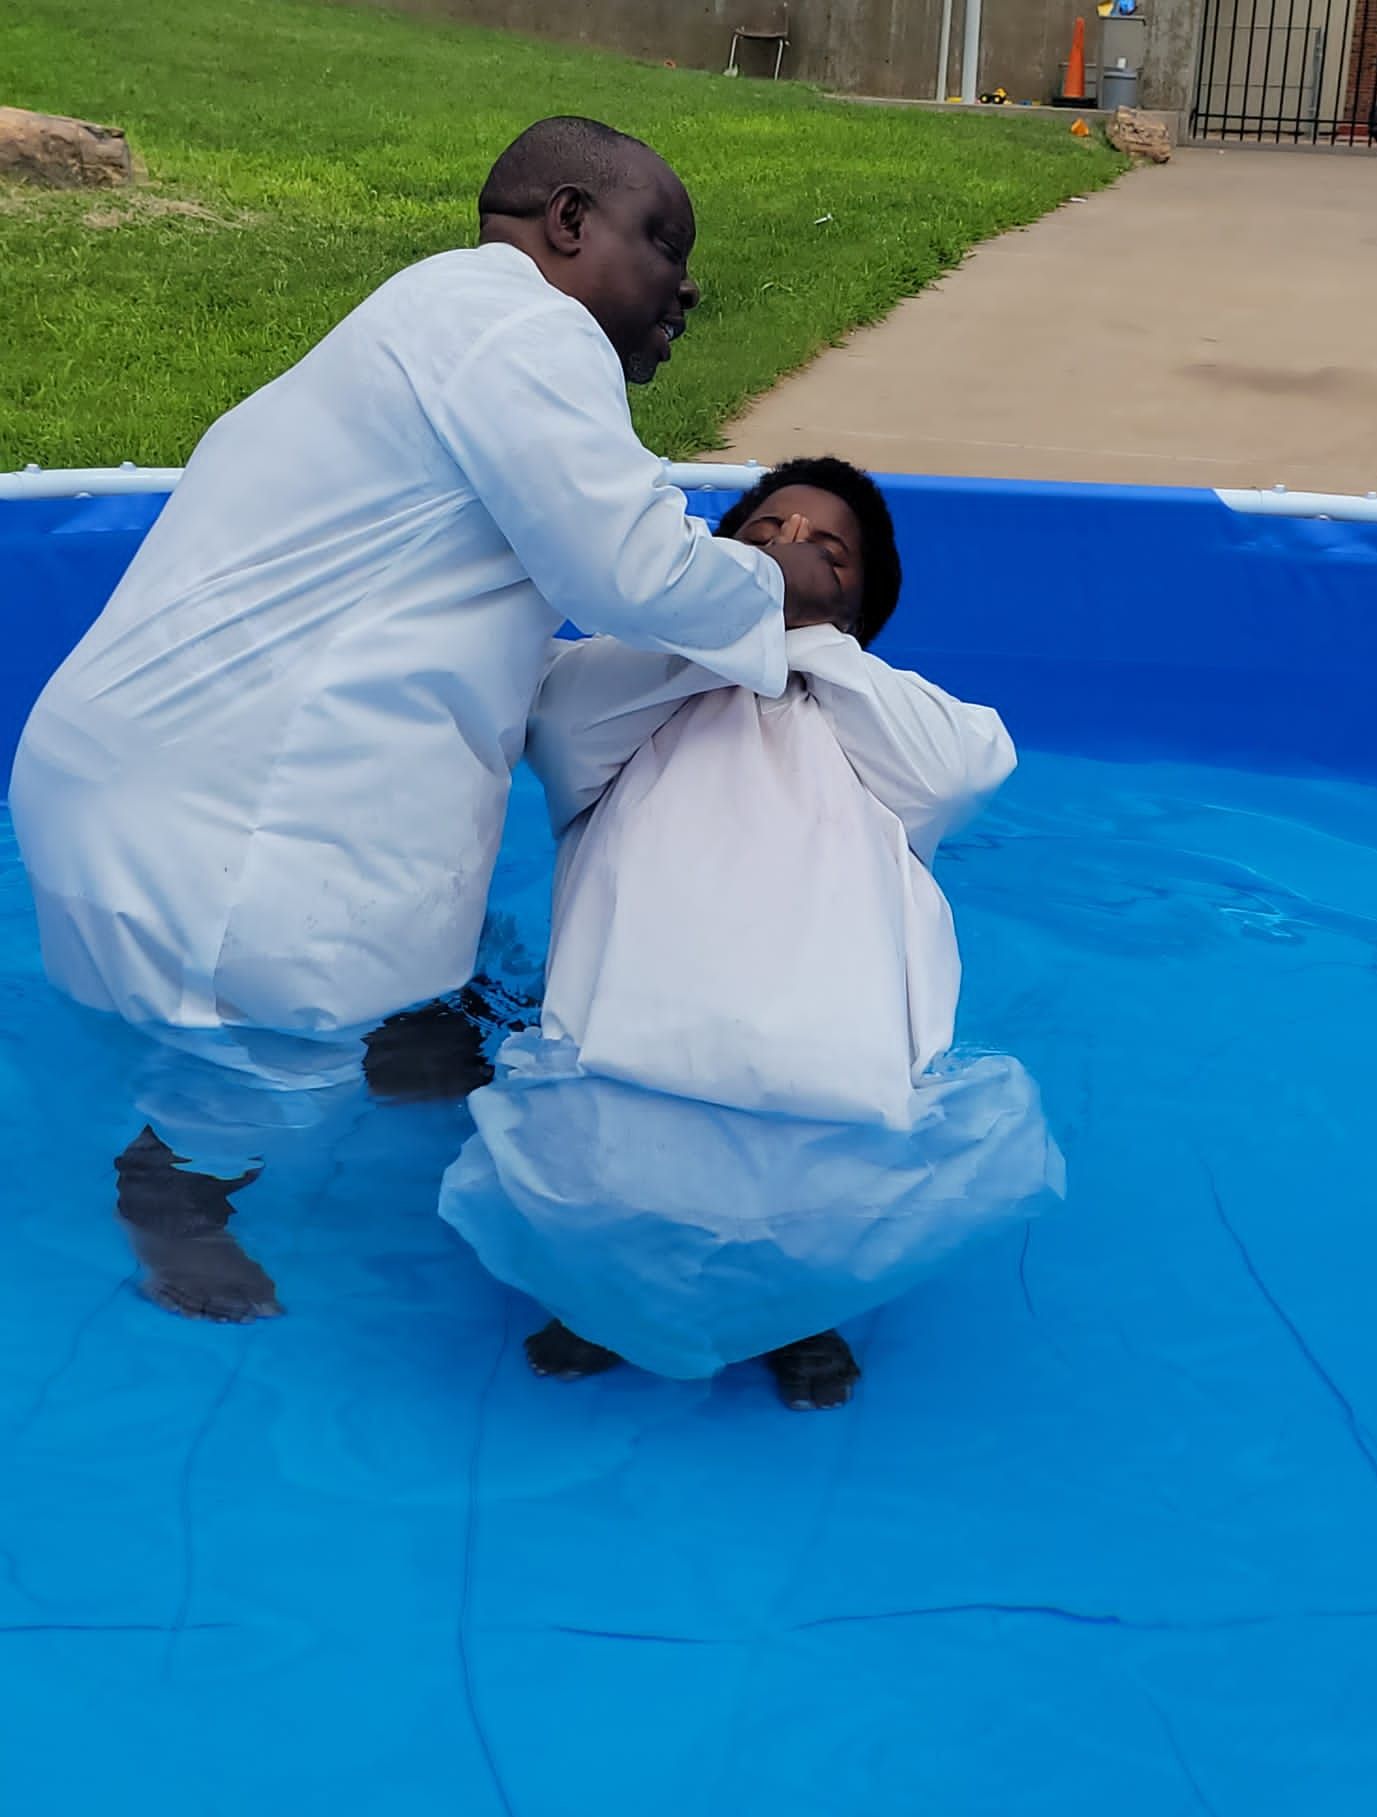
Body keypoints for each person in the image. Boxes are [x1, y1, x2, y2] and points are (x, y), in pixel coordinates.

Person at [7, 118, 844, 1324]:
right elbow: (630, 567)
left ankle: (386, 1054)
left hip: (136, 787)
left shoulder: (436, 325)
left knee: (338, 1005)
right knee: (274, 1055)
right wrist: (786, 591)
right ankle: (173, 1188)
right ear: (566, 223)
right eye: (663, 242)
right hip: (221, 829)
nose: (687, 285)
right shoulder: (522, 325)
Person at [440, 459, 1064, 1409]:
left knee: (820, 1179)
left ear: (860, 603)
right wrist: (735, 622)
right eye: (767, 532)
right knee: (606, 1165)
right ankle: (600, 1299)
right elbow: (560, 716)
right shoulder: (631, 685)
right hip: (638, 1016)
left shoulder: (881, 719)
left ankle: (801, 1312)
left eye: (829, 549)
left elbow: (962, 770)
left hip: (822, 1034)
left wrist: (801, 635)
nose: (792, 550)